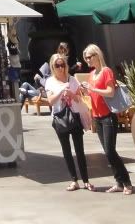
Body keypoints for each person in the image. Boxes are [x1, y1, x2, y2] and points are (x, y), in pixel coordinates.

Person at [80, 44, 134, 194]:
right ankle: (119, 182)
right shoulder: (92, 74)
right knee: (107, 151)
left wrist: (92, 88)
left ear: (97, 55)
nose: (87, 60)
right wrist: (85, 91)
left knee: (110, 151)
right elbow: (92, 95)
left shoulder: (106, 71)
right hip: (97, 117)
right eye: (85, 58)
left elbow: (110, 92)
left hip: (108, 115)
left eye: (89, 57)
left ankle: (127, 183)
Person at [45, 52, 94, 191]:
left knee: (79, 150)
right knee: (66, 150)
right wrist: (61, 91)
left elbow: (79, 98)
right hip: (60, 118)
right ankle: (74, 180)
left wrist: (72, 94)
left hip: (74, 116)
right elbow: (50, 101)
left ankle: (86, 180)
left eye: (62, 65)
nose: (60, 68)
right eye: (57, 66)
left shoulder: (72, 79)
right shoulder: (50, 81)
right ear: (53, 67)